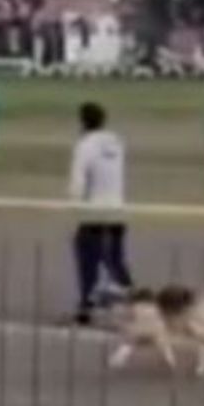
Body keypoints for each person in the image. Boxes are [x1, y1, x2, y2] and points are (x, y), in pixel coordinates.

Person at [68, 102, 133, 326]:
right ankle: (132, 303)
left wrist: (74, 205)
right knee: (115, 259)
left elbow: (77, 182)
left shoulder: (84, 145)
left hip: (94, 211)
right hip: (117, 208)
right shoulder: (116, 141)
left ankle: (87, 304)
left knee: (87, 257)